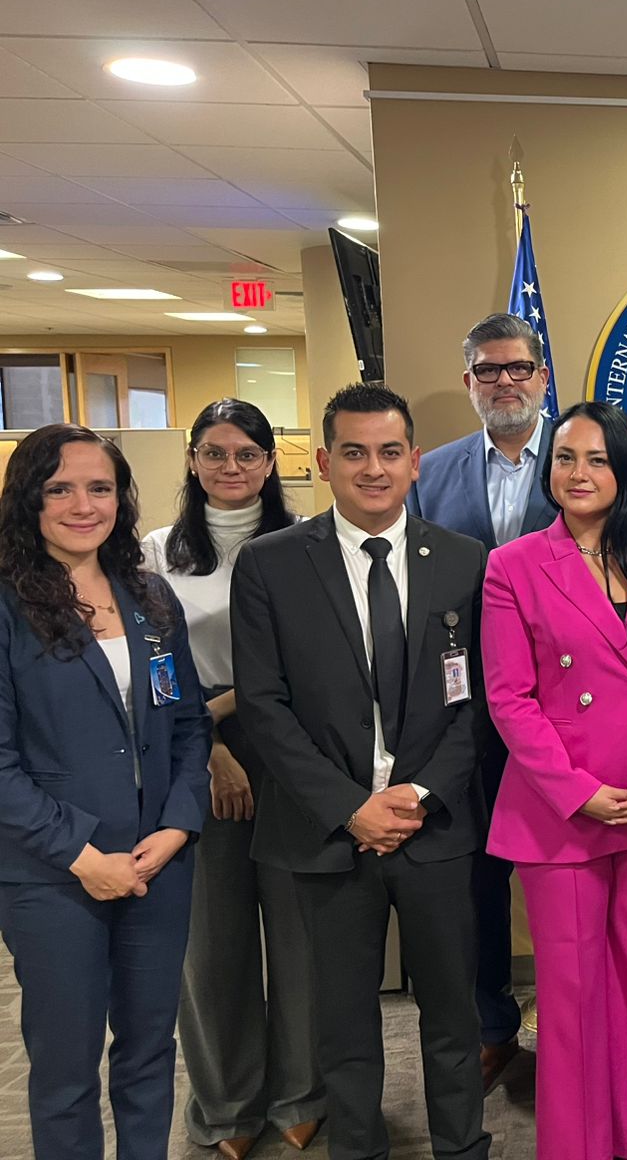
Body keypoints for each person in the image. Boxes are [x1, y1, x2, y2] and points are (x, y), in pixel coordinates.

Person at [232, 383, 491, 1160]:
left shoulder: (466, 562)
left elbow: (481, 703)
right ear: (323, 462)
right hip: (327, 836)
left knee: (453, 1017)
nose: (373, 469)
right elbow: (264, 707)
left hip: (435, 829)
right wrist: (352, 807)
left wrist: (418, 794)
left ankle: (463, 1149)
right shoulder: (270, 565)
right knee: (343, 1025)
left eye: (388, 452)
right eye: (353, 452)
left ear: (415, 462)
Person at [483, 401, 627, 1160]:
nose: (578, 473)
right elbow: (509, 699)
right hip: (563, 813)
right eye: (565, 458)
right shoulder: (513, 565)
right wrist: (578, 791)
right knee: (573, 998)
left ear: (626, 470)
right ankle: (577, 1147)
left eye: (597, 459)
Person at [0, 423, 211, 1160]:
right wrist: (83, 856)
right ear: (28, 499)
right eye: (59, 488)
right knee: (65, 1067)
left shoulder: (150, 597)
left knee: (150, 1051)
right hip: (55, 876)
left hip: (158, 863)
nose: (83, 505)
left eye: (100, 488)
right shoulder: (7, 606)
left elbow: (188, 726)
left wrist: (178, 826)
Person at [143, 400, 322, 1159]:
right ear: (192, 460)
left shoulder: (305, 542)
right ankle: (225, 1106)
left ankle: (302, 1093)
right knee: (211, 944)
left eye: (248, 453)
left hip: (291, 743)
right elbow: (152, 668)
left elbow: (313, 658)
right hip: (190, 750)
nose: (231, 467)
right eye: (214, 453)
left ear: (271, 461)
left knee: (300, 932)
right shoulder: (154, 553)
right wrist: (208, 744)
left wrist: (228, 717)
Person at [407, 311, 557, 1089]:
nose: (505, 381)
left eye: (518, 367)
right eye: (488, 370)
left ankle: (574, 1020)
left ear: (542, 376)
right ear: (468, 382)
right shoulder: (429, 475)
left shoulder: (583, 458)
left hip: (565, 708)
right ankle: (492, 1022)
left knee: (569, 873)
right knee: (478, 875)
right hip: (465, 711)